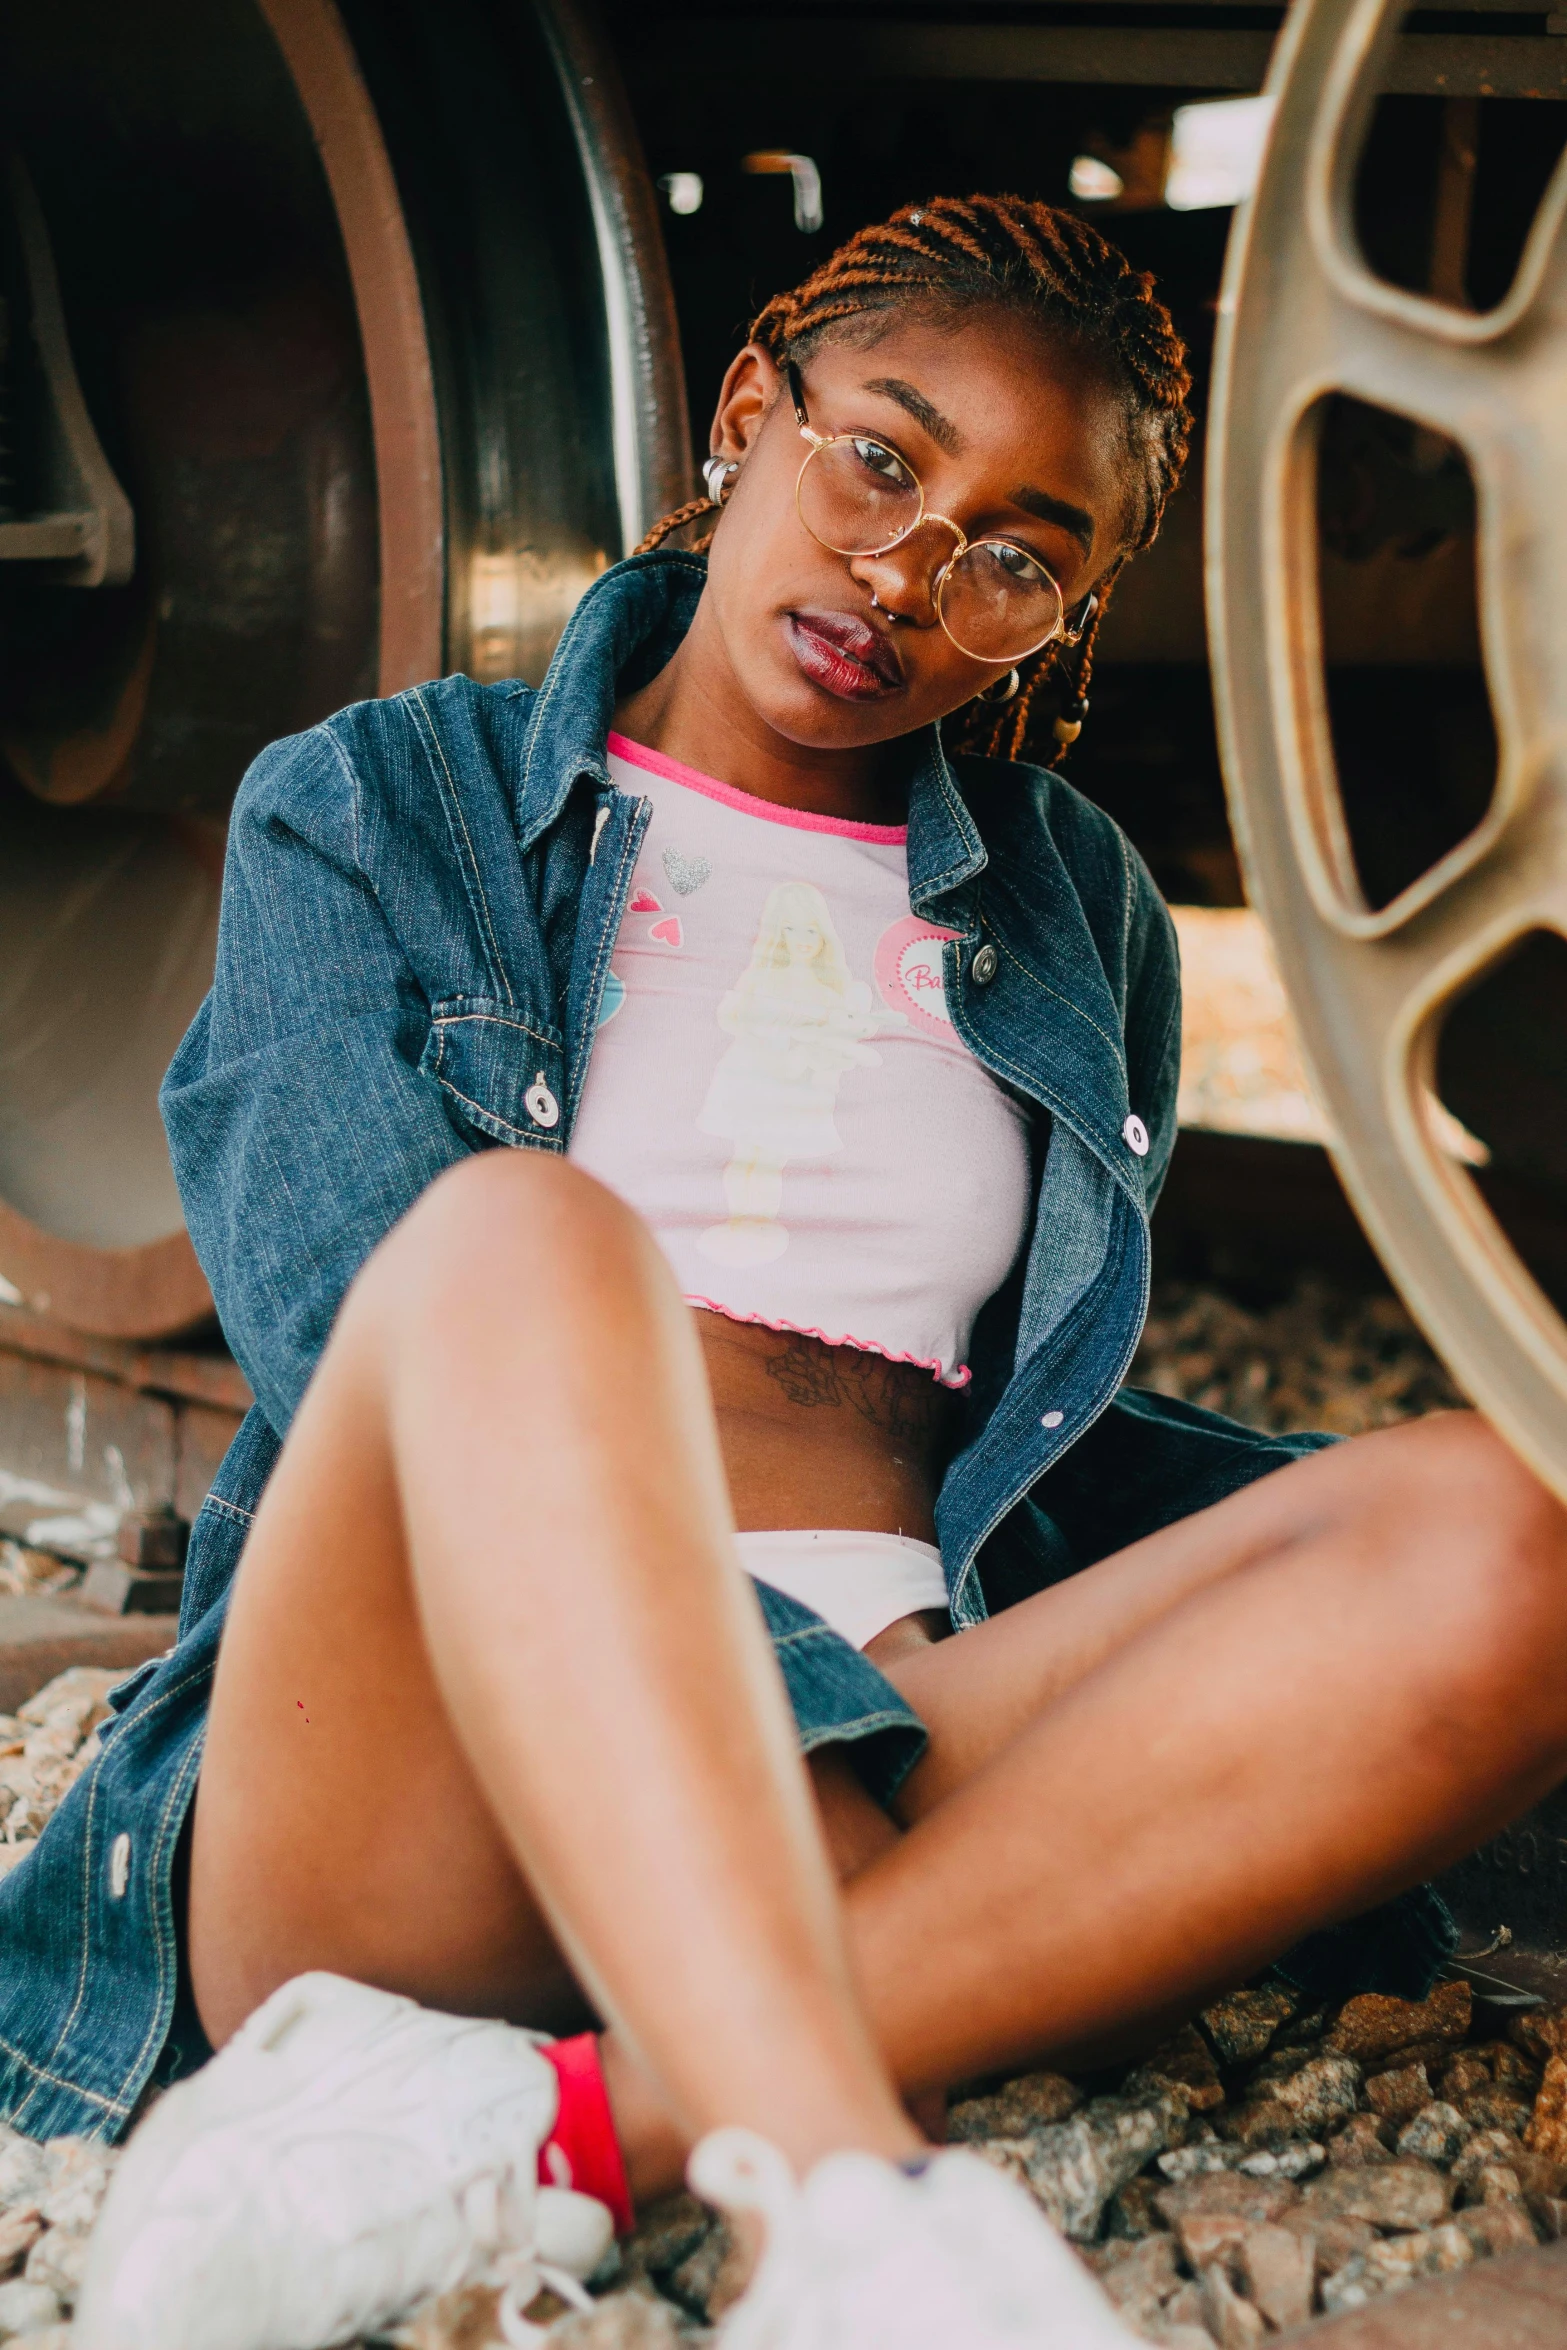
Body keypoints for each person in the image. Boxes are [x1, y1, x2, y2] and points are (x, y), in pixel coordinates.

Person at [5, 194, 1566, 2350]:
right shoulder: (379, 799)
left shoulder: (1070, 904)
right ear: (754, 409)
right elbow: (336, 1311)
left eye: (1020, 553)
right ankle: (854, 2203)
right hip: (425, 1766)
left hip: (915, 1728)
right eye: (881, 459)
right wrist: (799, 1749)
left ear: (1075, 615)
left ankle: (557, 2135)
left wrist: (961, 1704)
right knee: (524, 1249)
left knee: (1505, 1529)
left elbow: (1028, 1436)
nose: (909, 573)